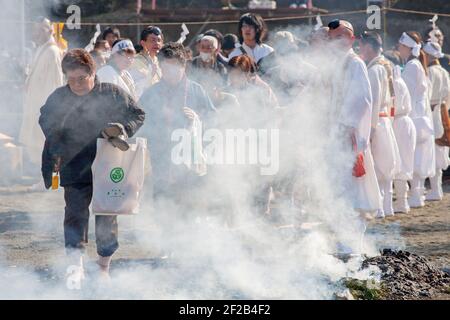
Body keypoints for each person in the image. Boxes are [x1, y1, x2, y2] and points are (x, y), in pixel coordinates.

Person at [39, 49, 145, 283]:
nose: (76, 84)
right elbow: (44, 117)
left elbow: (137, 114)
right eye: (71, 79)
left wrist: (121, 128)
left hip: (108, 162)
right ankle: (75, 264)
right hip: (73, 162)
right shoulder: (59, 96)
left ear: (92, 72)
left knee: (107, 214)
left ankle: (103, 264)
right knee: (75, 212)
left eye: (81, 78)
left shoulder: (112, 93)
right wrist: (58, 133)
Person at [139, 42, 216, 200]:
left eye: (174, 66)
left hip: (190, 160)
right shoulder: (151, 94)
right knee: (163, 206)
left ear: (184, 66)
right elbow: (139, 124)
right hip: (160, 159)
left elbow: (214, 120)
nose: (170, 72)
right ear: (160, 67)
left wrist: (197, 119)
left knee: (190, 207)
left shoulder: (196, 90)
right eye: (166, 67)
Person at [327, 20, 382, 217]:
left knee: (354, 188)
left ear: (352, 39)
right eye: (333, 38)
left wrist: (346, 124)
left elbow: (362, 98)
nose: (336, 42)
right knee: (339, 185)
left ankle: (352, 241)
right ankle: (344, 237)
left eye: (341, 37)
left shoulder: (355, 63)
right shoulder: (336, 64)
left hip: (349, 133)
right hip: (336, 132)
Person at [359, 31, 401, 218]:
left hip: (378, 120)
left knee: (378, 165)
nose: (360, 50)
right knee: (385, 164)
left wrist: (371, 128)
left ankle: (381, 207)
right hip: (385, 119)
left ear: (368, 47)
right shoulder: (386, 65)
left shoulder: (375, 69)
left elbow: (374, 101)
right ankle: (386, 205)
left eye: (361, 46)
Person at [19, 18, 64, 178]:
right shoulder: (41, 49)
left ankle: (48, 179)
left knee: (44, 144)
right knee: (37, 146)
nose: (37, 33)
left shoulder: (52, 52)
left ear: (50, 30)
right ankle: (43, 178)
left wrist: (53, 110)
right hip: (36, 106)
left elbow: (56, 83)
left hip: (46, 109)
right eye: (36, 30)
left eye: (41, 30)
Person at [398, 31, 435, 208]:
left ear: (407, 47)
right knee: (417, 156)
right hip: (420, 115)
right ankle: (416, 194)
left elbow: (405, 90)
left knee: (414, 157)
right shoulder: (416, 64)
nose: (399, 48)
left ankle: (415, 195)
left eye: (401, 45)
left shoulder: (412, 66)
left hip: (415, 116)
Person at [384, 50, 417, 214]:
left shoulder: (395, 82)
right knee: (401, 161)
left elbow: (393, 107)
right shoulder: (397, 80)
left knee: (399, 162)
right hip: (402, 122)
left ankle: (402, 201)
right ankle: (401, 201)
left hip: (399, 123)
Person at [423, 41, 450, 201]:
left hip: (433, 112)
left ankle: (435, 188)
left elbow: (427, 95)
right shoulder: (444, 72)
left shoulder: (431, 72)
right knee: (440, 149)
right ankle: (437, 188)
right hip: (442, 110)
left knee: (434, 149)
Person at [128, 26, 163, 99]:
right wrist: (150, 75)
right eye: (153, 40)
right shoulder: (134, 61)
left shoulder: (160, 61)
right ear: (143, 43)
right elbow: (135, 88)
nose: (157, 43)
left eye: (159, 40)